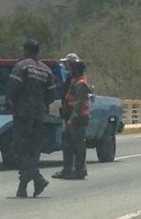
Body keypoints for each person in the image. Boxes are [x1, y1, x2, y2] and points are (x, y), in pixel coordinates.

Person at [7, 38, 56, 198]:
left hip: (23, 114)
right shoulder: (46, 70)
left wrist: (11, 103)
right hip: (39, 115)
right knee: (33, 151)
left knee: (20, 150)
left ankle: (37, 178)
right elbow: (52, 94)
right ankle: (23, 187)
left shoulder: (21, 67)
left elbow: (13, 89)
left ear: (25, 50)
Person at [53, 59, 90, 180]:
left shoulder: (81, 84)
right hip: (71, 117)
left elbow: (79, 104)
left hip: (77, 119)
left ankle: (79, 171)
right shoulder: (74, 82)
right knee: (67, 145)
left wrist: (72, 119)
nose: (70, 71)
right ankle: (67, 170)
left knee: (78, 146)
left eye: (72, 69)